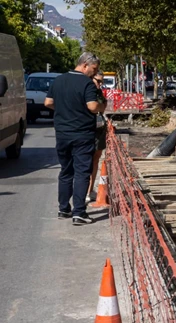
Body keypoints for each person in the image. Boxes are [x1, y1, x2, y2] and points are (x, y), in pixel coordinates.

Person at [45, 52, 106, 225]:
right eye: (94, 69)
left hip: (62, 133)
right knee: (82, 172)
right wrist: (102, 105)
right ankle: (79, 212)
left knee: (65, 171)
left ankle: (63, 209)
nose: (94, 73)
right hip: (82, 134)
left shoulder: (58, 80)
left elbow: (48, 103)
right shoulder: (86, 83)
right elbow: (92, 106)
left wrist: (64, 109)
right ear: (85, 65)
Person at [87, 71, 108, 204]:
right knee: (84, 161)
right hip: (86, 130)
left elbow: (102, 107)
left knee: (95, 160)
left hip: (98, 129)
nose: (100, 84)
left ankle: (89, 190)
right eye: (98, 81)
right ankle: (83, 191)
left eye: (102, 82)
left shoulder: (98, 93)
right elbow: (95, 108)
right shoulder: (85, 90)